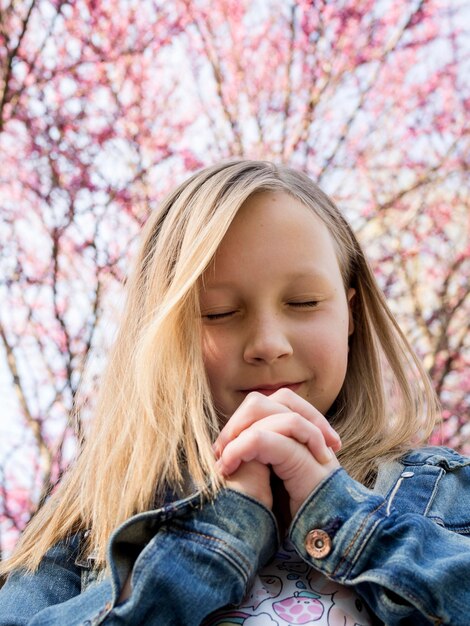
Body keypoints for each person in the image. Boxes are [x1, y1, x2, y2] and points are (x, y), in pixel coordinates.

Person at [0, 160, 468, 626]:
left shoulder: (450, 494)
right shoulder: (86, 526)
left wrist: (339, 509)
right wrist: (221, 524)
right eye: (219, 312)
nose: (268, 344)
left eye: (303, 303)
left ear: (350, 314)